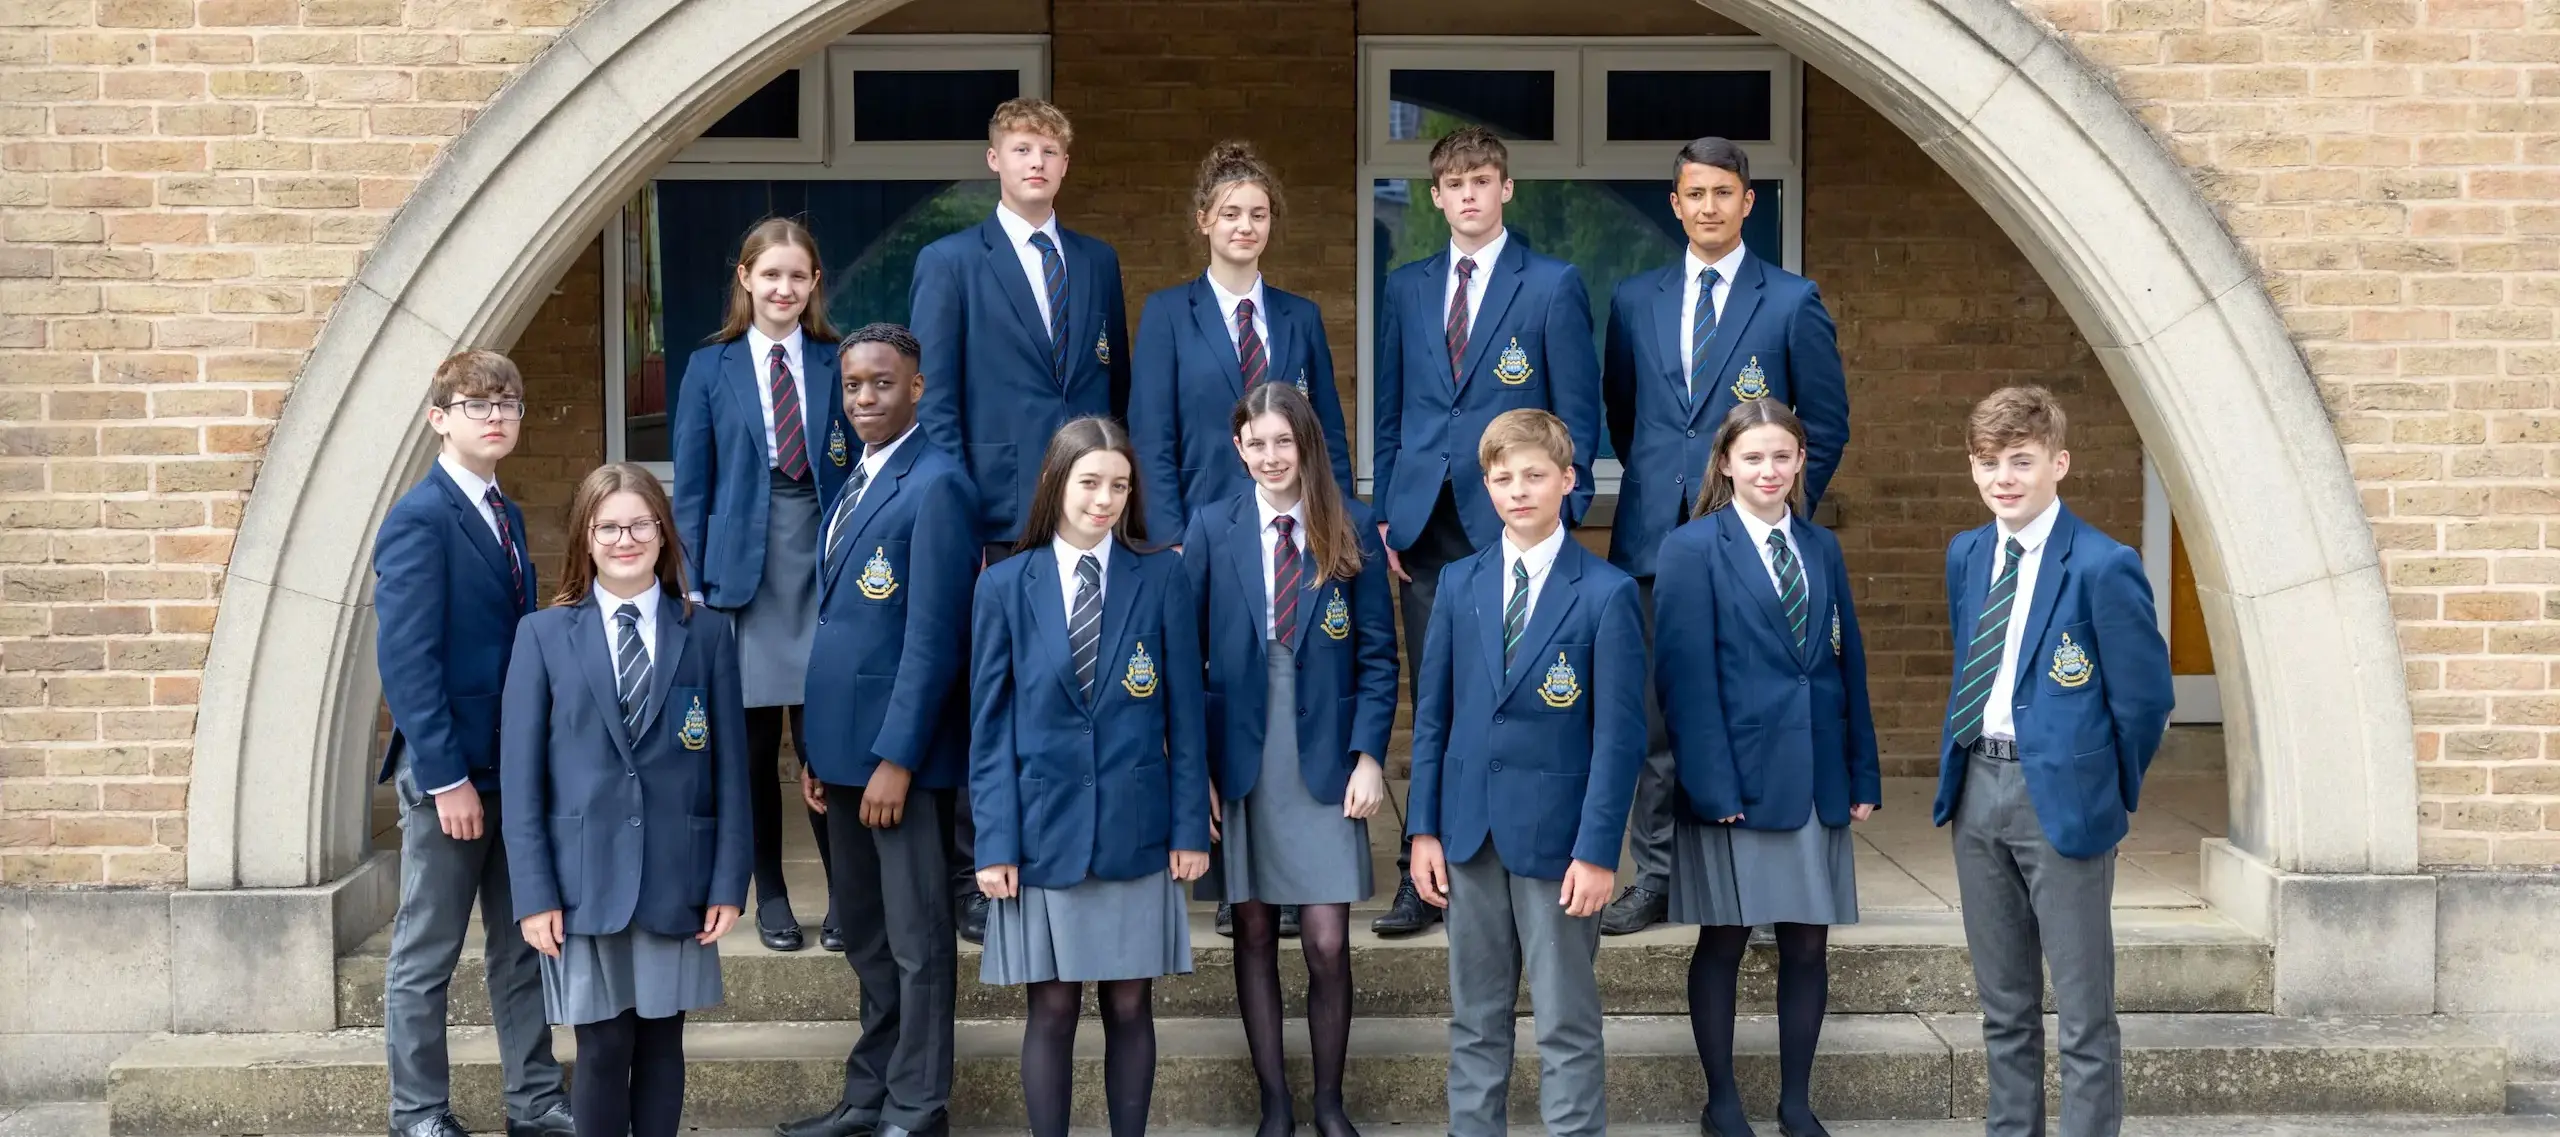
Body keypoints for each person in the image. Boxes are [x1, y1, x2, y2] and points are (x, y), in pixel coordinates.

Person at [1600, 136, 1853, 936]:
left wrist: (1765, 505)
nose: (1708, 206)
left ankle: (1759, 868)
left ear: (1749, 202)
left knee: (1754, 705)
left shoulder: (1790, 300)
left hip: (1753, 549)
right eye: (1693, 194)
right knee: (1657, 717)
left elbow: (1826, 425)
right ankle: (1660, 874)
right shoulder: (1635, 299)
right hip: (1651, 539)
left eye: (1724, 192)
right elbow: (1626, 413)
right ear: (1674, 205)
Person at [1370, 124, 1601, 937]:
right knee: (1433, 696)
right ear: (1436, 198)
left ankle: (1513, 856)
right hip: (1426, 524)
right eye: (1454, 184)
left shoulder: (1552, 283)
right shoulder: (1405, 286)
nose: (1469, 194)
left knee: (1512, 696)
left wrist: (1559, 521)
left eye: (1483, 180)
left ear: (1506, 189)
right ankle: (1417, 868)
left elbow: (1580, 414)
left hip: (1513, 522)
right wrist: (1386, 511)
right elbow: (1393, 409)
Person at [913, 97, 1133, 942]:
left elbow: (1108, 395)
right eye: (1021, 149)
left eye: (1049, 150)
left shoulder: (1097, 260)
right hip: (997, 519)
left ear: (1065, 165)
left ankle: (1076, 846)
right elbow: (938, 411)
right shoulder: (950, 261)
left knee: (1082, 688)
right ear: (994, 160)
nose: (1036, 162)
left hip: (1089, 518)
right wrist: (962, 524)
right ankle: (975, 868)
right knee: (990, 694)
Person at [1934, 386, 2172, 1137]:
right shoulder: (1968, 554)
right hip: (1979, 786)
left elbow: (2143, 699)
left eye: (2021, 460)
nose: (2003, 477)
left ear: (2058, 463)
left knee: (2082, 1013)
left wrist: (2103, 784)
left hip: (2060, 798)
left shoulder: (2104, 564)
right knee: (2002, 1006)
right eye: (1989, 462)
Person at [968, 416, 1211, 1137]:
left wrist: (1190, 826)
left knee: (1131, 1004)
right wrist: (993, 843)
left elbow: (1187, 718)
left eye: (1119, 485)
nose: (1104, 499)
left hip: (1137, 831)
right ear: (1056, 481)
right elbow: (988, 730)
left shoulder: (1163, 574)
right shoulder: (1005, 585)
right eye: (1090, 482)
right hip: (1043, 834)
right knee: (1053, 1005)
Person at [1406, 409, 1644, 1137]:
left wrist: (1599, 850)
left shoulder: (1605, 593)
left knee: (1566, 1021)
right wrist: (1422, 828)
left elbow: (1619, 738)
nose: (1518, 489)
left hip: (1559, 846)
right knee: (1475, 1019)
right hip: (1469, 836)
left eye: (1534, 475)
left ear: (1568, 481)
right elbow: (1434, 717)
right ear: (1487, 484)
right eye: (1503, 477)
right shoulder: (1457, 583)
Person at [1651, 400, 1881, 1137]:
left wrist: (1863, 772)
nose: (1769, 470)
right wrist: (1709, 784)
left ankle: (1794, 1102)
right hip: (1735, 781)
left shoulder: (1821, 547)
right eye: (1753, 457)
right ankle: (1722, 1102)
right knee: (1723, 935)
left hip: (1814, 774)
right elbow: (1682, 677)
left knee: (1807, 942)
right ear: (1725, 463)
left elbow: (1847, 666)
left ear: (1800, 461)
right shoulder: (1692, 548)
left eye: (1782, 456)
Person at [502, 463, 752, 1137]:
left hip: (679, 873)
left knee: (662, 1043)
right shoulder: (544, 636)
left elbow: (734, 769)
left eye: (640, 524)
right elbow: (521, 781)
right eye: (608, 526)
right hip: (584, 880)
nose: (624, 539)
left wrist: (730, 879)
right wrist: (534, 893)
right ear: (586, 537)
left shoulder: (706, 632)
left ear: (663, 534)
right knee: (604, 1046)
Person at [1180, 382, 1396, 1137]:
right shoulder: (1211, 526)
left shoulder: (1350, 525)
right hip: (1240, 756)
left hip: (1326, 760)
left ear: (1306, 444)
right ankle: (1275, 1104)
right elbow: (1184, 660)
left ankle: (1329, 1102)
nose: (1272, 456)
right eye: (1257, 442)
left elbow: (1378, 654)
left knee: (1329, 941)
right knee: (1254, 929)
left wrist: (1370, 754)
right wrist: (1194, 770)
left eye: (1284, 441)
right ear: (1238, 448)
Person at [777, 324, 976, 1137]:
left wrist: (896, 758)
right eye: (853, 385)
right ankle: (869, 1096)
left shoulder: (937, 485)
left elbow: (933, 640)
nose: (864, 398)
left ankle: (918, 1105)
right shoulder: (852, 479)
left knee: (917, 940)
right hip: (843, 756)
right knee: (865, 931)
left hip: (902, 764)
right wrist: (819, 752)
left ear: (917, 388)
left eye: (882, 384)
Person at [372, 350, 573, 1137]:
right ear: (439, 417)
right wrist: (447, 776)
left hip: (510, 772)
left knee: (524, 947)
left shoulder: (505, 513)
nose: (496, 415)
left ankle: (534, 1100)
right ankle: (418, 1113)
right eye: (477, 403)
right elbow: (407, 660)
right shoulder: (420, 518)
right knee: (426, 955)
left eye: (509, 403)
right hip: (451, 775)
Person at [670, 217, 855, 953]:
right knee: (748, 750)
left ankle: (846, 889)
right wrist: (687, 581)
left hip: (821, 559)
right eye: (770, 274)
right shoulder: (708, 367)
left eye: (798, 275)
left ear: (814, 284)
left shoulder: (835, 358)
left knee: (825, 738)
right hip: (739, 572)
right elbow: (692, 484)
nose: (784, 287)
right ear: (745, 278)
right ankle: (770, 892)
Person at [1129, 139, 1353, 542]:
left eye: (1258, 214)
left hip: (1294, 527)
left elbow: (1328, 434)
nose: (1245, 226)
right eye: (1230, 214)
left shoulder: (1302, 317)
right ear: (1204, 220)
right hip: (1199, 528)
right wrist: (1171, 540)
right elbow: (1151, 438)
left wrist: (1339, 523)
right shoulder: (1168, 314)